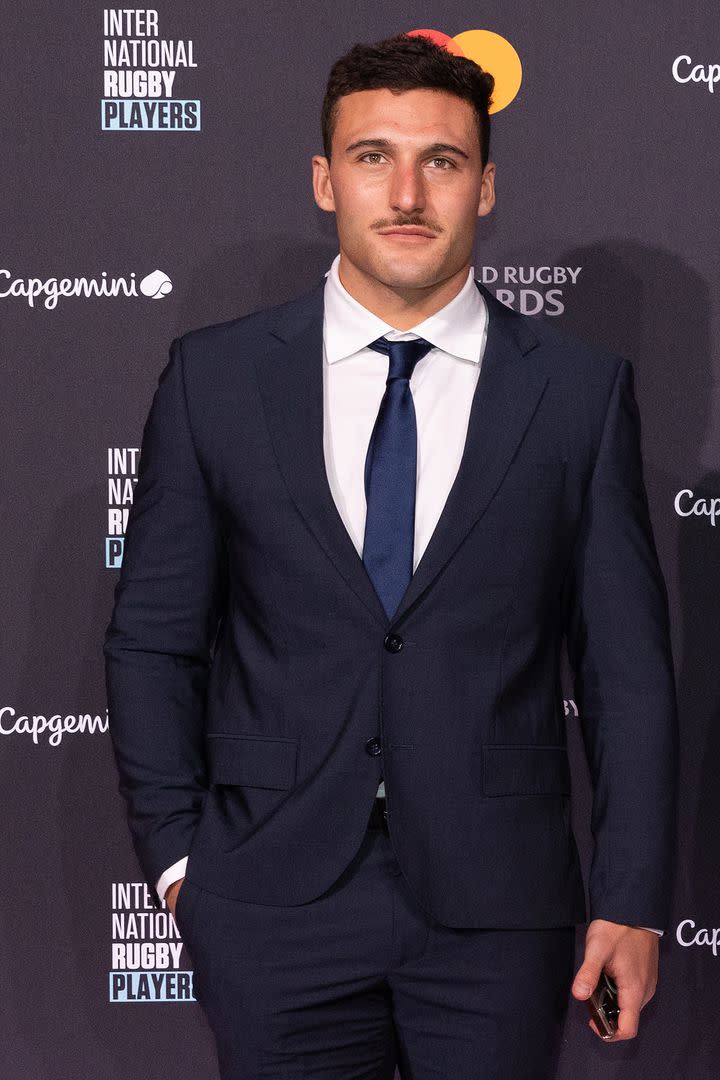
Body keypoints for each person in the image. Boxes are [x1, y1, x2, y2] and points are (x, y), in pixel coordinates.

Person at [104, 32, 679, 1080]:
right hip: (269, 902)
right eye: (374, 156)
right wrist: (184, 868)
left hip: (499, 913)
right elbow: (152, 640)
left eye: (443, 161)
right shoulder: (217, 378)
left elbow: (627, 674)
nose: (407, 190)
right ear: (326, 181)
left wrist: (632, 901)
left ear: (486, 186)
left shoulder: (579, 394)